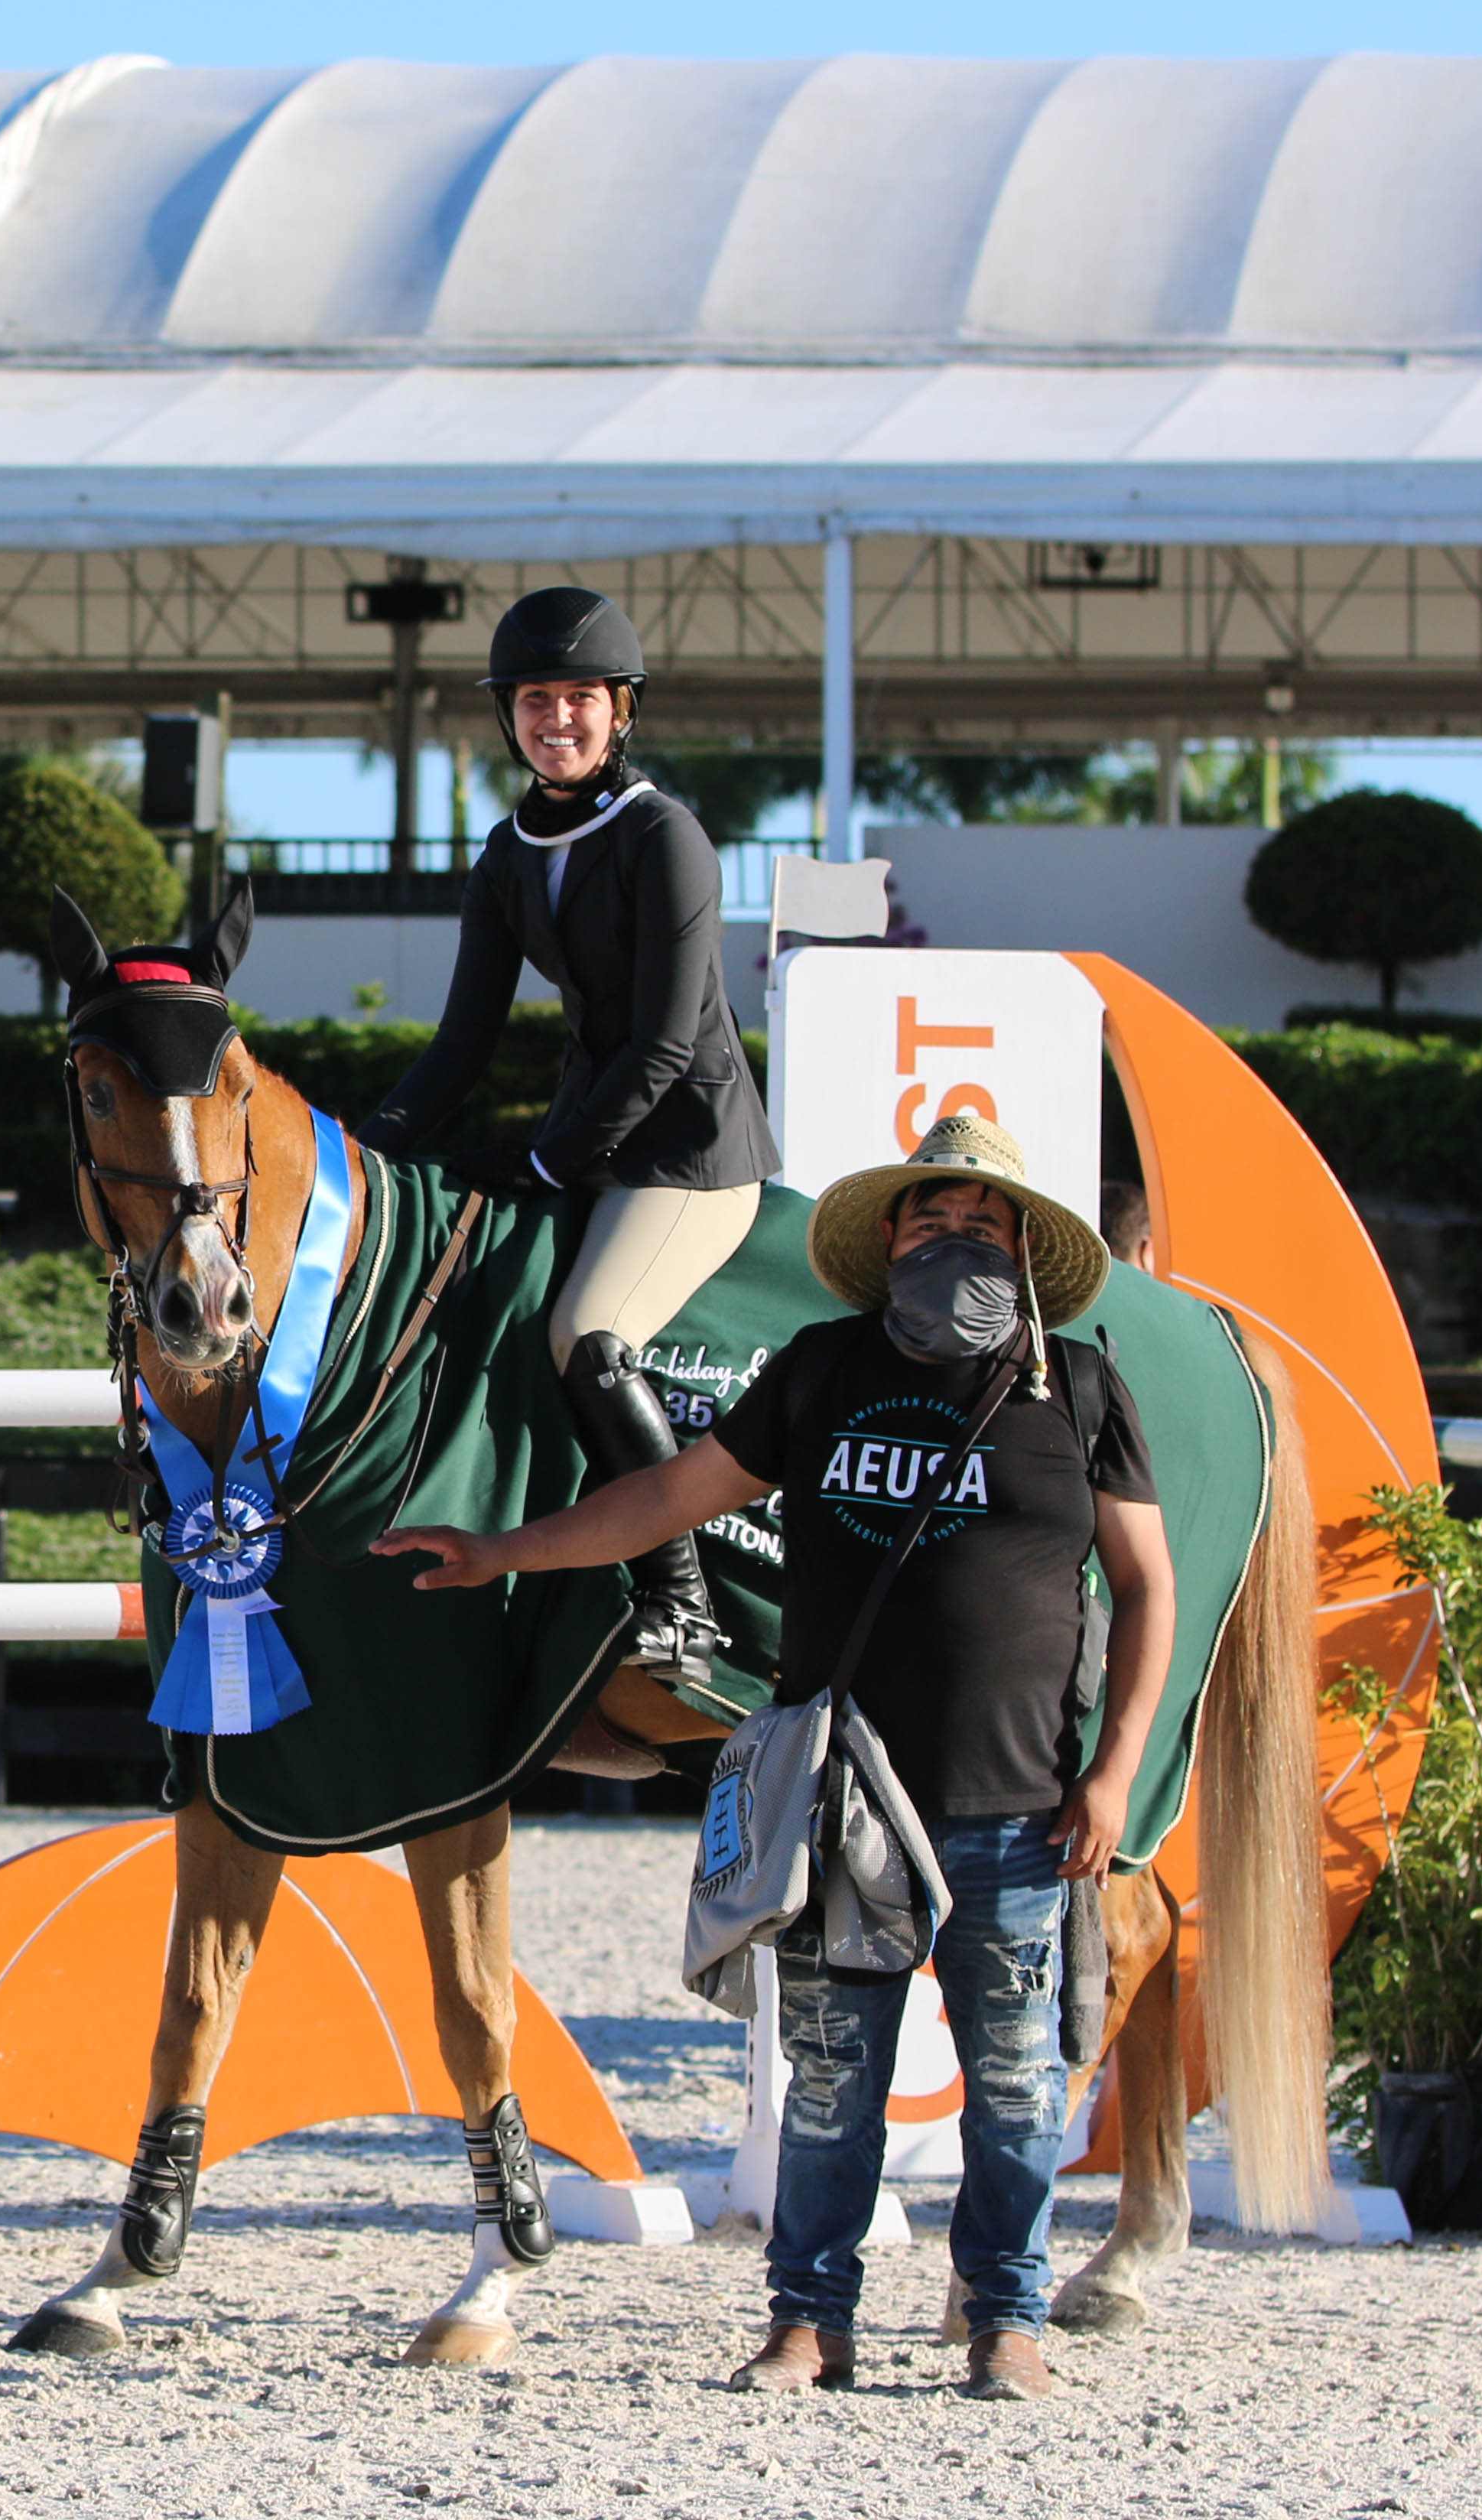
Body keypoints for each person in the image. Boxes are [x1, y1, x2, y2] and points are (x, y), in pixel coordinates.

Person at [374, 1113, 1175, 2405]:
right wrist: (501, 1551)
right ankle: (809, 2324)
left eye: (980, 1224)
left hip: (1022, 1808)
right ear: (890, 1240)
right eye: (929, 1219)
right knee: (830, 2088)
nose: (952, 1240)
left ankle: (1005, 2323)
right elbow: (665, 1498)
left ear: (1024, 1248)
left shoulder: (1081, 1387)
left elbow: (1149, 1588)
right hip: (848, 1801)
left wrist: (1116, 1767)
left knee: (1020, 2091)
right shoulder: (822, 1367)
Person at [362, 585, 776, 1679]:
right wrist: (360, 1155)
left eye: (580, 698)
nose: (558, 718)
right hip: (594, 1140)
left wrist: (550, 1159)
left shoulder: (666, 837)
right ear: (510, 716)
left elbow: (665, 1047)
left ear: (621, 709)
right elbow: (462, 1044)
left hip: (688, 1151)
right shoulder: (506, 853)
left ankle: (679, 1599)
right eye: (536, 699)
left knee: (584, 1333)